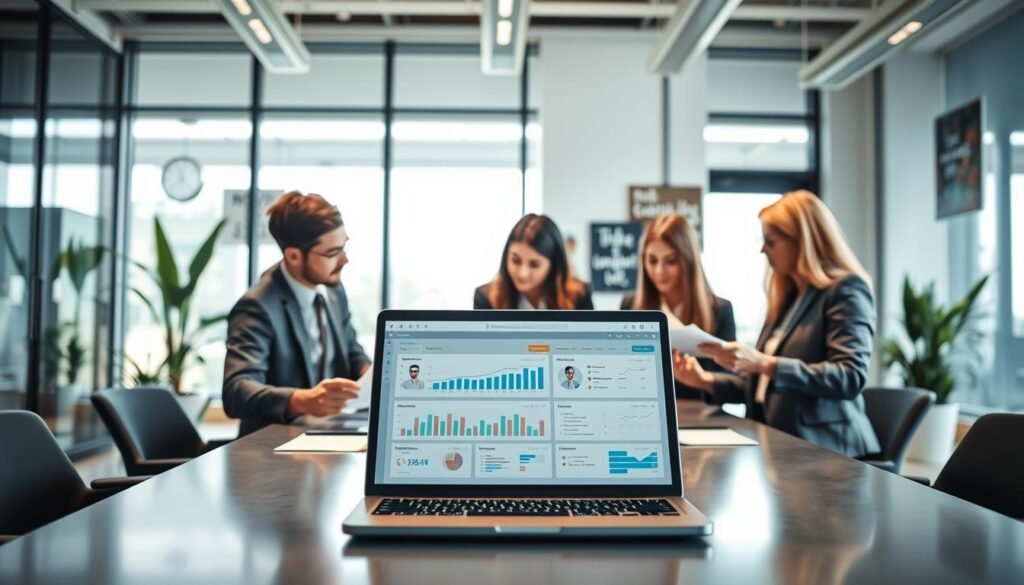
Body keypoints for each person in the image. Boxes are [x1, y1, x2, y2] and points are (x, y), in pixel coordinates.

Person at [675, 190, 880, 457]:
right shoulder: (788, 298)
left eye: (770, 241)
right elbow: (761, 385)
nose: (763, 249)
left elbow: (849, 376)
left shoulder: (846, 290)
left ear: (803, 241)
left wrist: (765, 363)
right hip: (778, 443)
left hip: (829, 451)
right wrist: (704, 380)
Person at [223, 191, 371, 436]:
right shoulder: (258, 306)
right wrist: (304, 400)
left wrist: (373, 377)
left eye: (343, 247)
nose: (344, 259)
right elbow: (237, 392)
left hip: (331, 433)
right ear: (293, 255)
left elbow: (350, 350)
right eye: (332, 253)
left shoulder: (333, 291)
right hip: (275, 447)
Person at [620, 214, 736, 400]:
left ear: (688, 260)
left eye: (671, 261)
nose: (659, 271)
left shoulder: (720, 310)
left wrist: (703, 379)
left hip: (703, 420)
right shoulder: (631, 305)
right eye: (652, 260)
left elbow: (736, 386)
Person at [474, 214, 594, 310]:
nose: (522, 273)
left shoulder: (580, 295)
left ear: (554, 265)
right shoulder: (485, 298)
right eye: (515, 260)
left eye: (535, 264)